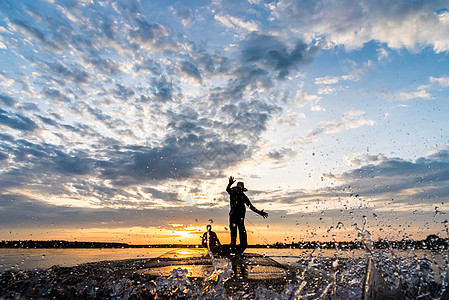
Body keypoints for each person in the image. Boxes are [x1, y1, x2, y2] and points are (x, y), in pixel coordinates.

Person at [226, 176, 268, 253]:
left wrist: (259, 212)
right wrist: (229, 184)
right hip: (234, 216)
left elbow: (251, 206)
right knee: (235, 232)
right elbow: (228, 190)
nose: (239, 190)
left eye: (240, 189)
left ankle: (239, 246)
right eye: (239, 188)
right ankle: (233, 247)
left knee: (240, 232)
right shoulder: (233, 192)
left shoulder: (243, 196)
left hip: (239, 217)